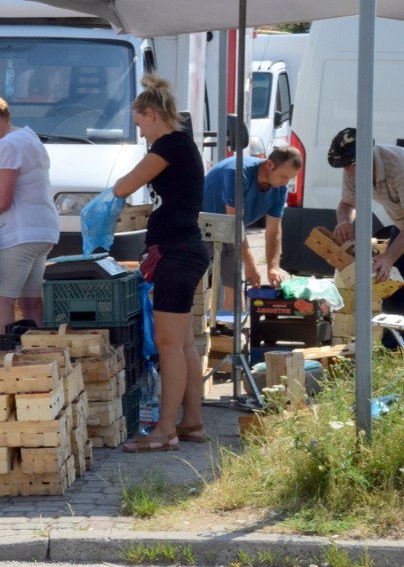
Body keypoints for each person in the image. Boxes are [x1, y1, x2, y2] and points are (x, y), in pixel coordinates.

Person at [111, 75, 209, 452]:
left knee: (169, 346)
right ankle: (193, 422)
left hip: (176, 252)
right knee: (183, 344)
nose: (141, 134)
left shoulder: (170, 144)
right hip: (186, 249)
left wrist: (107, 201)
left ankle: (164, 431)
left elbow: (123, 186)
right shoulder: (180, 144)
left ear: (152, 114)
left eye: (140, 125)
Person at [0, 91, 60, 344]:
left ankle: (1, 362)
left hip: (21, 233)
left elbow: (0, 200)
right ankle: (40, 355)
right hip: (42, 231)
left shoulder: (8, 144)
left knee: (1, 300)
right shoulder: (27, 137)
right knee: (30, 304)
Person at [202, 146, 303, 309]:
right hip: (201, 225)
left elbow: (274, 231)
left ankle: (230, 331)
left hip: (230, 229)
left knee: (235, 287)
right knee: (195, 287)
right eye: (283, 176)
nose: (285, 183)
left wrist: (273, 268)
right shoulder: (238, 172)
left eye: (290, 179)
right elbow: (234, 223)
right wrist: (250, 265)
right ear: (269, 165)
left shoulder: (280, 188)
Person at [328, 127, 404, 283]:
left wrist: (388, 257)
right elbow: (347, 203)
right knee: (394, 293)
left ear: (366, 156)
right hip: (401, 226)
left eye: (350, 165)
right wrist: (345, 221)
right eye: (344, 165)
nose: (347, 171)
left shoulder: (399, 167)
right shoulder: (353, 169)